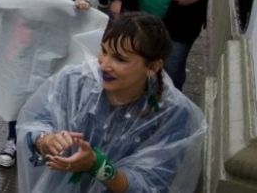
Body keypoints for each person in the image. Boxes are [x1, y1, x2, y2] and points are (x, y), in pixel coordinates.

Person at [17, 13, 207, 193]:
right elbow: (35, 122)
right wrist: (45, 140)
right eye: (104, 51)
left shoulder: (171, 114)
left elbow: (152, 184)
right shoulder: (75, 82)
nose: (104, 65)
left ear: (153, 66)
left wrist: (97, 166)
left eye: (119, 59)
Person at [0, 0, 91, 167]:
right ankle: (13, 138)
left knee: (42, 93)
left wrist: (81, 3)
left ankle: (39, 139)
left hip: (50, 43)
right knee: (17, 91)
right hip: (19, 39)